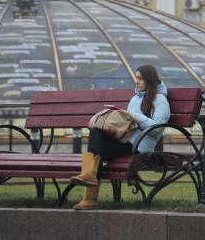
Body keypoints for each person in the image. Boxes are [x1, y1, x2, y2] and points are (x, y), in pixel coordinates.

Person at [71, 64, 170, 210]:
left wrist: (135, 116)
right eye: (136, 78)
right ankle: (89, 178)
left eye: (140, 78)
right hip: (125, 139)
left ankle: (89, 194)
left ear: (149, 80)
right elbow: (128, 124)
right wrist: (114, 128)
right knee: (96, 131)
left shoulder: (160, 100)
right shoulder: (135, 98)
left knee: (97, 152)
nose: (136, 81)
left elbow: (156, 128)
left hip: (140, 145)